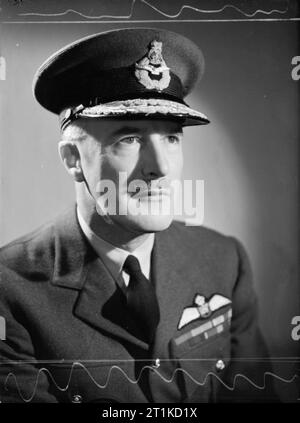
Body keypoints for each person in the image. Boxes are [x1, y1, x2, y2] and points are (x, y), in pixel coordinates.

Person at [0, 27, 277, 403]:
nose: (160, 167)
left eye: (171, 138)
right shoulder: (11, 289)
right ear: (72, 159)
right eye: (129, 140)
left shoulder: (224, 260)